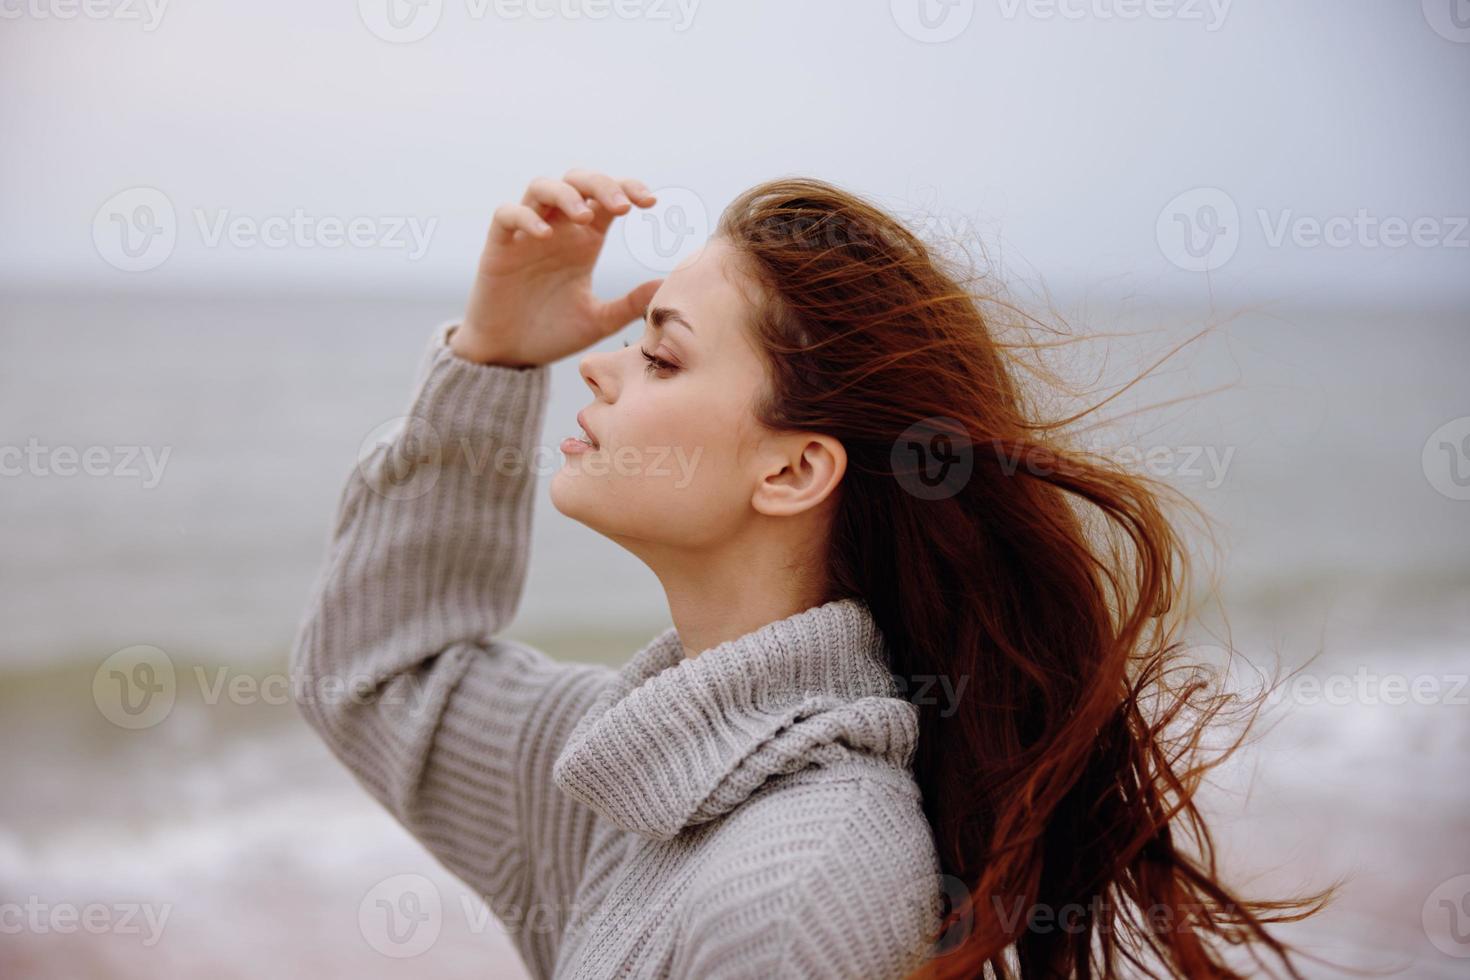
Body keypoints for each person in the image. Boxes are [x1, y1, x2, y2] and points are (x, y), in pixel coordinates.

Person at [290, 169, 1335, 979]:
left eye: (662, 357)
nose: (598, 364)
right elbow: (380, 672)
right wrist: (494, 351)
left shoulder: (799, 888)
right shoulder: (628, 774)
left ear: (793, 467)